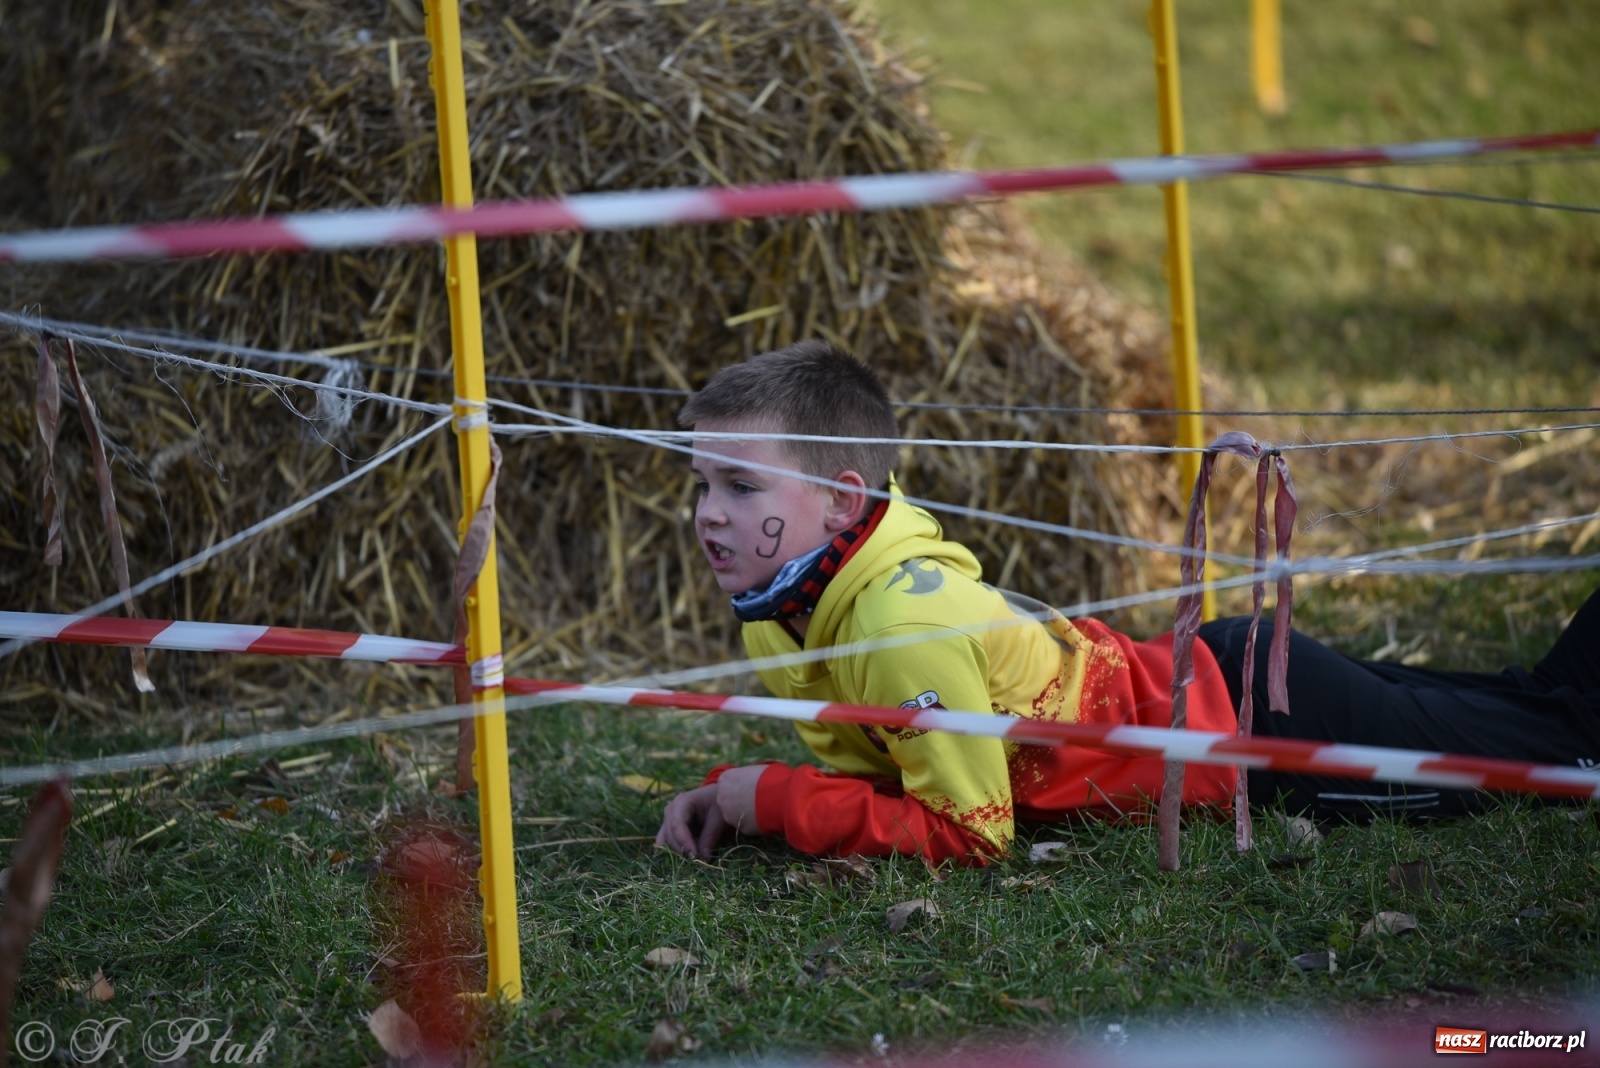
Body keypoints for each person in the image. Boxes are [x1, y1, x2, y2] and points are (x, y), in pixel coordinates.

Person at [654, 340, 1600, 865]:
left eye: (741, 488)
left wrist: (774, 798)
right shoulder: (838, 577)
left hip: (1262, 743)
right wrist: (740, 794)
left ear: (844, 499)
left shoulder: (902, 625)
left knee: (1559, 749)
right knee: (1532, 706)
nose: (708, 517)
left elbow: (969, 835)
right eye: (703, 486)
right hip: (1228, 679)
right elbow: (913, 760)